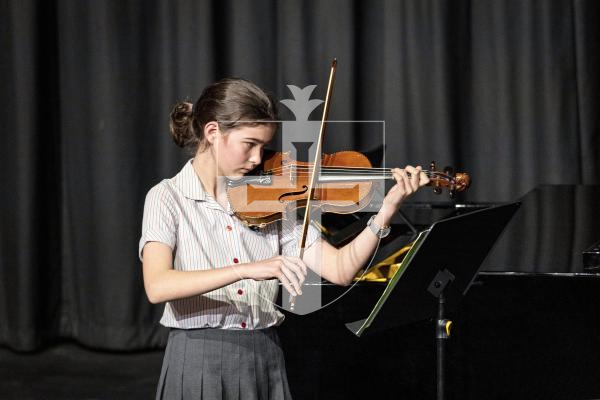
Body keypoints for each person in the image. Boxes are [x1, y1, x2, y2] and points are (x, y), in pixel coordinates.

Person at [139, 77, 430, 399]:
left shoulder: (273, 197)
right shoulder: (167, 197)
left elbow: (340, 270)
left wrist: (385, 212)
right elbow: (158, 286)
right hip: (197, 357)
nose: (256, 158)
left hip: (264, 352)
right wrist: (249, 269)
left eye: (263, 146)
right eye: (249, 144)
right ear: (212, 133)